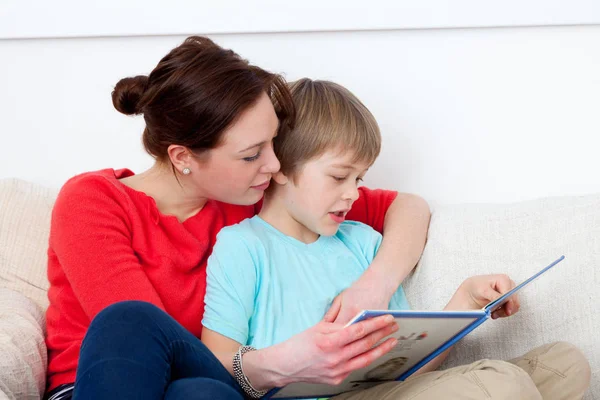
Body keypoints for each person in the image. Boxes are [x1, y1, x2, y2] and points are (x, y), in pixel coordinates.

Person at [44, 36, 431, 400]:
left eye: (273, 141)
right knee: (130, 322)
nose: (275, 164)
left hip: (207, 385)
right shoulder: (93, 202)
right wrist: (281, 363)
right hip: (100, 384)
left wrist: (374, 286)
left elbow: (408, 208)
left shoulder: (254, 194)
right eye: (252, 154)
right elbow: (146, 340)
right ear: (183, 158)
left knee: (199, 393)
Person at [201, 79, 592, 400]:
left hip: (387, 392)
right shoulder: (242, 246)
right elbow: (217, 364)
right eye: (339, 177)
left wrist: (465, 303)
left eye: (360, 179)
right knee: (503, 384)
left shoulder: (364, 244)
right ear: (280, 167)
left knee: (567, 363)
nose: (353, 194)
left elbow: (405, 368)